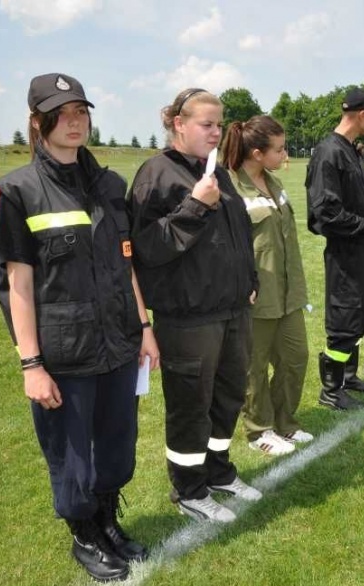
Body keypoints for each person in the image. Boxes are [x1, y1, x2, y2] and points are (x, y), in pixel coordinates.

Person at [0, 73, 157, 582]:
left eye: (81, 111)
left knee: (117, 445)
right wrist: (31, 364)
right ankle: (84, 534)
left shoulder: (110, 185)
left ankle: (107, 521)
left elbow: (126, 263)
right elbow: (17, 286)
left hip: (119, 342)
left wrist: (144, 326)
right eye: (60, 114)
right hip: (65, 350)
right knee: (72, 454)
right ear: (37, 122)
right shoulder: (19, 191)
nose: (74, 121)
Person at [128, 88, 262, 524]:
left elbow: (239, 234)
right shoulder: (156, 174)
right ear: (178, 124)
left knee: (228, 396)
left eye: (219, 124)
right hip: (188, 317)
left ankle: (218, 472)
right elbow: (146, 250)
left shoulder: (217, 171)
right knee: (191, 405)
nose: (216, 132)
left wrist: (250, 281)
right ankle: (188, 489)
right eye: (207, 124)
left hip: (232, 310)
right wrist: (194, 206)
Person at [221, 116, 314, 456]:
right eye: (279, 149)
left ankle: (285, 421)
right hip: (256, 295)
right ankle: (259, 429)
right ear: (257, 153)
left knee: (296, 357)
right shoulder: (230, 187)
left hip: (288, 293)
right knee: (254, 367)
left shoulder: (274, 183)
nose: (284, 154)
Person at [306, 88, 364, 410]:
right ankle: (331, 391)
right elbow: (326, 212)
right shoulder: (329, 152)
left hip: (363, 251)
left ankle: (348, 376)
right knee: (344, 318)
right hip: (345, 254)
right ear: (363, 114)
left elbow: (357, 201)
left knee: (359, 314)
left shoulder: (350, 151)